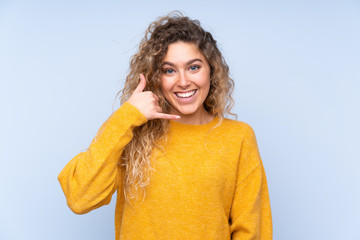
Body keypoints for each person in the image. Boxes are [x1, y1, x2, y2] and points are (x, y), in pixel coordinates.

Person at [58, 11, 272, 240]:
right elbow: (80, 198)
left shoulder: (238, 137)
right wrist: (127, 116)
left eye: (194, 67)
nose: (182, 81)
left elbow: (252, 231)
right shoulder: (130, 132)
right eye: (169, 70)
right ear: (154, 78)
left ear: (212, 70)